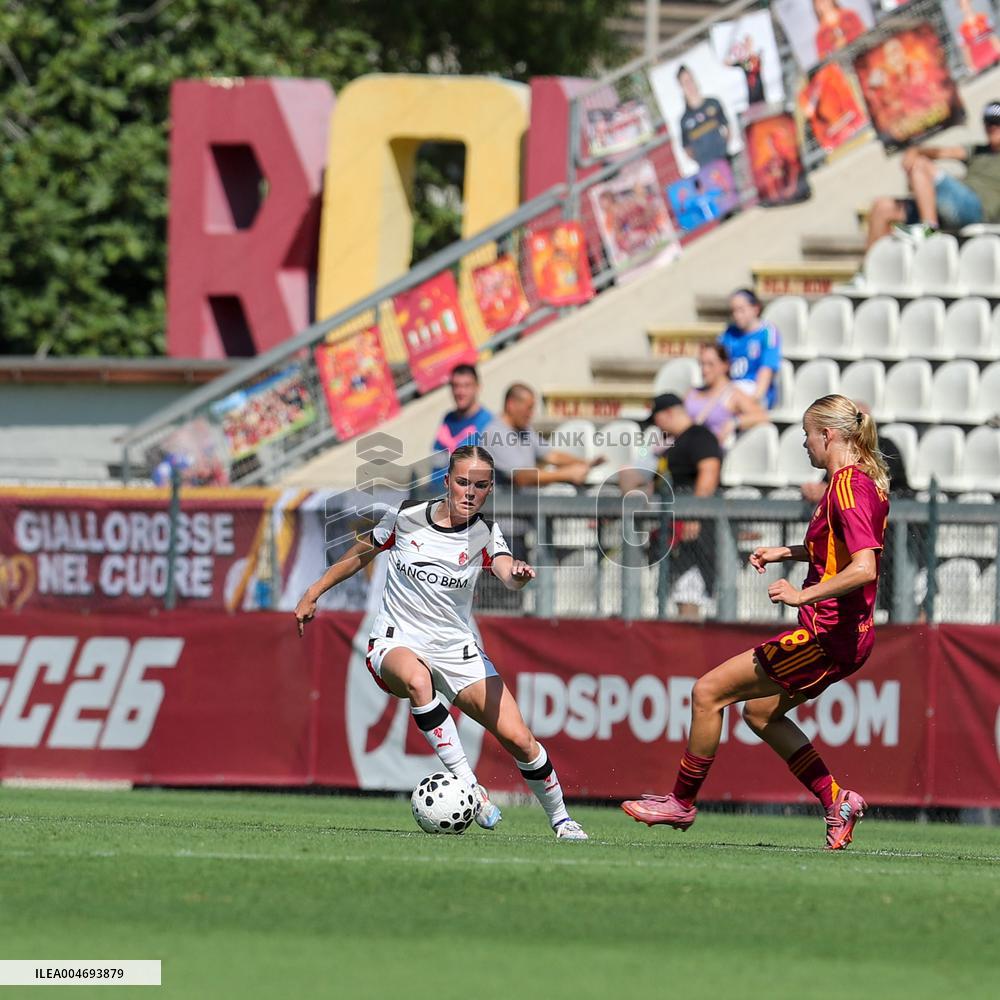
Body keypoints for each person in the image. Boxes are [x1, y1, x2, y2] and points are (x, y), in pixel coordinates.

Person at [622, 395, 890, 850]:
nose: (805, 445)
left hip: (827, 635)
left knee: (707, 693)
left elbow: (864, 568)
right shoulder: (857, 483)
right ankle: (837, 800)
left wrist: (802, 593)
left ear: (828, 435)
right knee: (760, 713)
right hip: (841, 636)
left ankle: (681, 803)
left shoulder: (846, 486)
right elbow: (836, 551)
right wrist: (784, 552)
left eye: (807, 435)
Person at [294, 445, 589, 841]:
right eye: (463, 482)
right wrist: (314, 591)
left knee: (520, 738)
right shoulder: (406, 516)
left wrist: (518, 574)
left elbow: (505, 571)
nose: (470, 492)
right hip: (395, 640)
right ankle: (471, 788)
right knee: (418, 680)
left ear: (489, 490)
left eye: (480, 485)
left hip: (455, 648)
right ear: (447, 481)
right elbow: (362, 552)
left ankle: (562, 820)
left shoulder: (484, 533)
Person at [619, 393, 723, 621]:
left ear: (668, 414)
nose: (657, 427)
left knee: (689, 593)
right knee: (679, 593)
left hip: (698, 532)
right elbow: (644, 472)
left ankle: (690, 650)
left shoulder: (699, 436)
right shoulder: (671, 445)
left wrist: (695, 513)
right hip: (677, 530)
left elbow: (709, 471)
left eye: (657, 420)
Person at [865, 101, 1000, 247]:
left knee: (921, 166)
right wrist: (914, 151)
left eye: (997, 123)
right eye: (988, 123)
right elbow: (942, 152)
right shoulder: (977, 150)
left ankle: (929, 230)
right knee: (882, 207)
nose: (992, 127)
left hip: (977, 211)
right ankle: (868, 267)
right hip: (952, 208)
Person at [684, 343, 768, 450]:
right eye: (702, 364)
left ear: (725, 365)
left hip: (709, 452)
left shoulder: (733, 393)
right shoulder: (692, 392)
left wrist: (734, 422)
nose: (705, 370)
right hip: (685, 446)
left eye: (710, 364)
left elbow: (762, 416)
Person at [429, 364, 493, 488]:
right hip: (439, 496)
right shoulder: (447, 419)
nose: (460, 392)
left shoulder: (488, 423)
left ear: (478, 387)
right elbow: (437, 460)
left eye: (466, 386)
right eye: (456, 386)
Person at [718, 289, 782, 409]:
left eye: (741, 310)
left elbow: (766, 369)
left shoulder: (768, 332)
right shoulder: (728, 333)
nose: (736, 315)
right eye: (733, 311)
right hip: (730, 386)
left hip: (754, 388)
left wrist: (756, 398)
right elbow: (718, 364)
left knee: (728, 401)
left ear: (755, 309)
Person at [677, 65, 730, 169]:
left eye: (690, 80)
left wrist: (724, 147)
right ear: (681, 87)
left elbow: (727, 127)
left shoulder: (714, 103)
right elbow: (686, 148)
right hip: (705, 168)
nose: (690, 85)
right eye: (685, 82)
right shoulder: (684, 120)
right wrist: (700, 160)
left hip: (724, 160)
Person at [957, 0, 1000, 75]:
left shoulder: (983, 18)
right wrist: (970, 66)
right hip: (979, 64)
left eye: (967, 3)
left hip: (993, 56)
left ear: (970, 3)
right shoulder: (961, 29)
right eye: (963, 5)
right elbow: (966, 49)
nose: (966, 7)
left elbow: (993, 37)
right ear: (961, 8)